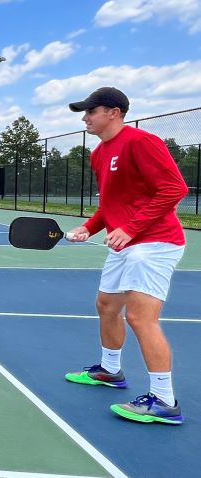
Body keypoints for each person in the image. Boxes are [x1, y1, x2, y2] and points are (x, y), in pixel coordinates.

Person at [64, 87, 188, 425]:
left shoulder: (141, 142)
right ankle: (110, 370)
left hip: (156, 243)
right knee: (106, 304)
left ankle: (164, 401)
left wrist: (131, 228)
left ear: (114, 112)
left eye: (91, 111)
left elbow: (174, 189)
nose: (85, 117)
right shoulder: (100, 153)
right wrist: (89, 228)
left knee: (140, 318)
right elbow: (110, 205)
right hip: (126, 244)